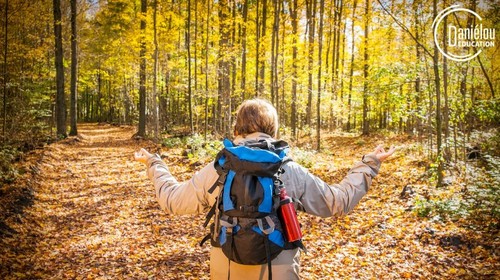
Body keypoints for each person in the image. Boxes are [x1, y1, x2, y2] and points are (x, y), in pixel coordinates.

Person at [135, 98, 395, 280]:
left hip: (226, 265)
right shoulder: (287, 168)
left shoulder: (221, 166)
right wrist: (369, 164)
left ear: (236, 129)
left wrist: (153, 163)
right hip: (278, 266)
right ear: (273, 130)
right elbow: (337, 202)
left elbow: (173, 200)